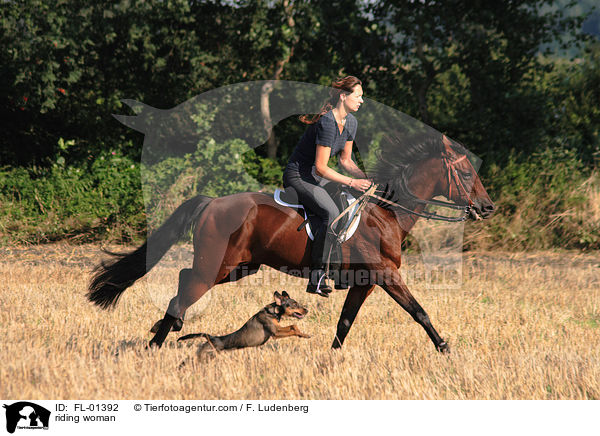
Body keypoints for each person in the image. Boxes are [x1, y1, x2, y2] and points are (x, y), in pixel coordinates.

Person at [283, 76, 372, 297]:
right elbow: (321, 167)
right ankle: (317, 277)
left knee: (347, 205)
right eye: (358, 96)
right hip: (298, 176)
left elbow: (346, 161)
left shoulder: (351, 122)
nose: (362, 101)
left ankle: (340, 271)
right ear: (343, 96)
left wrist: (368, 180)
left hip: (315, 176)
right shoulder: (326, 122)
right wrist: (352, 182)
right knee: (331, 212)